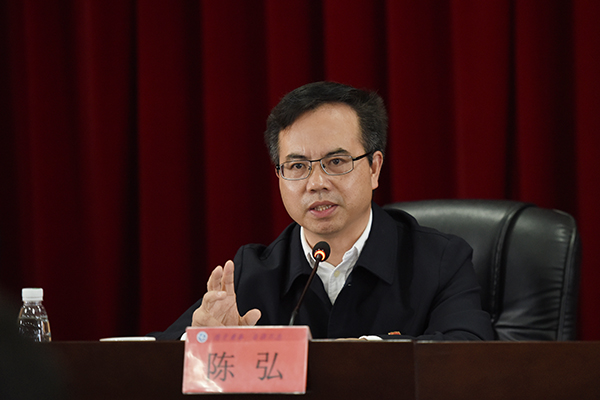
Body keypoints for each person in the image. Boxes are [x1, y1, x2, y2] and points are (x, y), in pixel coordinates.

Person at [151, 81, 494, 341]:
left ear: (374, 168)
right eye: (297, 166)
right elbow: (153, 360)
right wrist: (200, 344)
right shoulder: (249, 274)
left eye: (336, 162)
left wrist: (371, 357)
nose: (316, 183)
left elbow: (469, 355)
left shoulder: (440, 261)